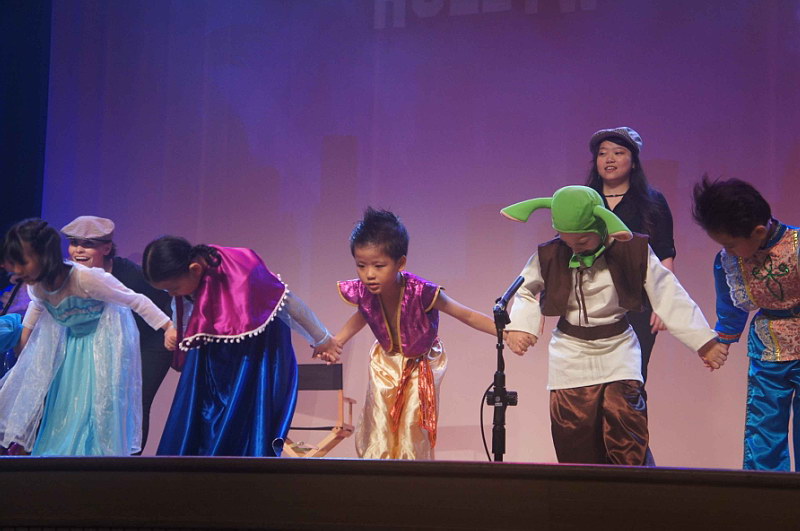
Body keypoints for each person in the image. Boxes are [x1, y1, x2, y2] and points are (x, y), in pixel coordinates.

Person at [502, 186, 726, 465]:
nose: (575, 247)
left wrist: (703, 341)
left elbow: (668, 292)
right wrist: (521, 326)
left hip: (618, 349)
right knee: (574, 436)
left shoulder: (632, 250)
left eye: (582, 240)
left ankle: (631, 491)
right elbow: (524, 289)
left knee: (626, 428)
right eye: (567, 240)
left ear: (600, 225)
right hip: (570, 353)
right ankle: (584, 492)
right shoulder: (550, 254)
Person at [317, 208, 495, 459]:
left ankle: (411, 475)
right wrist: (337, 341)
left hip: (421, 364)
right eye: (361, 265)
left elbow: (466, 315)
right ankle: (378, 474)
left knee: (412, 425)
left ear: (400, 263)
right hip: (385, 362)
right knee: (379, 424)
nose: (369, 274)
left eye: (379, 266)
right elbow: (362, 316)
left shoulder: (421, 291)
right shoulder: (367, 293)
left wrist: (505, 332)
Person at [142, 236, 340, 456]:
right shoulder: (189, 281)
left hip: (251, 355)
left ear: (195, 269)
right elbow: (183, 307)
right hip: (213, 357)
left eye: (173, 288)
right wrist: (175, 329)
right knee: (206, 416)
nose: (172, 294)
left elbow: (287, 303)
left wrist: (322, 338)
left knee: (243, 414)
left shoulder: (242, 271)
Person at [0, 219, 172, 455]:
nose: (17, 271)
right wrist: (23, 348)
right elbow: (34, 311)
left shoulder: (86, 278)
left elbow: (136, 300)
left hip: (104, 344)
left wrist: (168, 327)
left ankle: (97, 462)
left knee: (98, 406)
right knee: (67, 405)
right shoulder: (36, 286)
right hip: (73, 346)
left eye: (23, 262)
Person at [692, 176, 800, 471]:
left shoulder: (796, 245)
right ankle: (764, 492)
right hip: (768, 349)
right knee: (764, 428)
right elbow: (731, 305)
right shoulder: (729, 261)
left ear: (758, 231)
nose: (727, 250)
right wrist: (722, 341)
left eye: (731, 244)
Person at [61, 215, 172, 453]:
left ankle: (129, 459)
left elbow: (164, 301)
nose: (78, 250)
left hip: (150, 341)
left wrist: (171, 330)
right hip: (112, 342)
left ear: (106, 248)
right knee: (101, 399)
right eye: (74, 243)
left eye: (88, 244)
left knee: (136, 401)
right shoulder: (70, 275)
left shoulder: (130, 275)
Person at [585, 127, 675, 384]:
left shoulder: (652, 201)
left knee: (630, 380)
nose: (609, 159)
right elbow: (564, 249)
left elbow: (665, 254)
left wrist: (664, 303)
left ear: (634, 162)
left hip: (638, 302)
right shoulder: (584, 201)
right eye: (602, 153)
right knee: (590, 382)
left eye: (618, 152)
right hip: (589, 302)